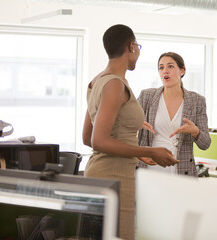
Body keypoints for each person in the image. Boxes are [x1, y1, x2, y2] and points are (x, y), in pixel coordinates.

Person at [82, 24, 178, 240]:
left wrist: (136, 152)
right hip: (114, 177)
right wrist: (151, 152)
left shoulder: (97, 81)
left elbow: (87, 137)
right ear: (131, 46)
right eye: (138, 46)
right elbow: (98, 140)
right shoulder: (115, 84)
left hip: (100, 173)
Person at [137, 52, 211, 176]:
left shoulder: (197, 101)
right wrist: (137, 125)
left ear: (182, 71)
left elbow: (205, 144)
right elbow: (126, 127)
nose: (165, 71)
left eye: (170, 66)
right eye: (161, 67)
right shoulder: (147, 96)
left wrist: (195, 131)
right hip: (150, 168)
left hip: (181, 170)